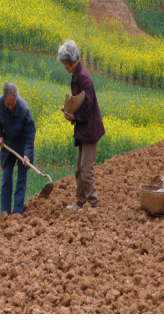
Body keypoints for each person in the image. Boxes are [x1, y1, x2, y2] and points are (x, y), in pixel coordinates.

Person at [58, 40, 104, 210]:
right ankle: (81, 202)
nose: (65, 67)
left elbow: (88, 107)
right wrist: (70, 108)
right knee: (79, 168)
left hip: (90, 129)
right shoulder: (77, 75)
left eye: (65, 63)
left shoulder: (84, 78)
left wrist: (74, 117)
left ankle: (94, 204)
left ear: (71, 60)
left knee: (86, 170)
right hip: (84, 128)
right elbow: (81, 102)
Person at [0, 82, 37, 216]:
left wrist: (27, 155)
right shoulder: (0, 103)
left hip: (23, 146)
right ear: (4, 99)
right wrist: (0, 136)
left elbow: (30, 134)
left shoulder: (24, 110)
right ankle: (5, 213)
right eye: (8, 104)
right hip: (8, 146)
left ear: (16, 99)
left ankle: (18, 211)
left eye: (13, 104)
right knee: (6, 177)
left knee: (21, 177)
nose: (10, 106)